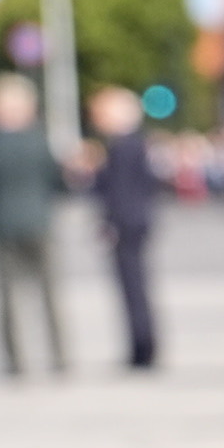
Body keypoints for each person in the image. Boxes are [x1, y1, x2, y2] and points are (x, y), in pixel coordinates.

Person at [0, 72, 66, 377]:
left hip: (4, 226)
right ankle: (58, 356)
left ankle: (16, 360)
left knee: (10, 298)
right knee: (46, 295)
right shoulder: (40, 140)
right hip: (37, 224)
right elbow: (57, 182)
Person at [86, 83, 162, 371]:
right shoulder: (134, 143)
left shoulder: (123, 146)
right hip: (136, 221)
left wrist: (110, 224)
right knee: (135, 286)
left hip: (126, 223)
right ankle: (142, 346)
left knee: (132, 288)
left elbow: (118, 192)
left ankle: (142, 347)